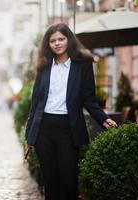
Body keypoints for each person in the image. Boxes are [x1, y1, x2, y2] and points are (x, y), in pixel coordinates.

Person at [25, 23, 117, 200]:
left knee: (68, 182)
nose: (57, 43)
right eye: (53, 41)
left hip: (68, 128)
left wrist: (103, 119)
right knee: (50, 182)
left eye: (61, 39)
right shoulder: (44, 66)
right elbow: (35, 103)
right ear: (48, 44)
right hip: (44, 129)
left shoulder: (82, 65)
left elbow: (89, 99)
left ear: (69, 40)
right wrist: (30, 134)